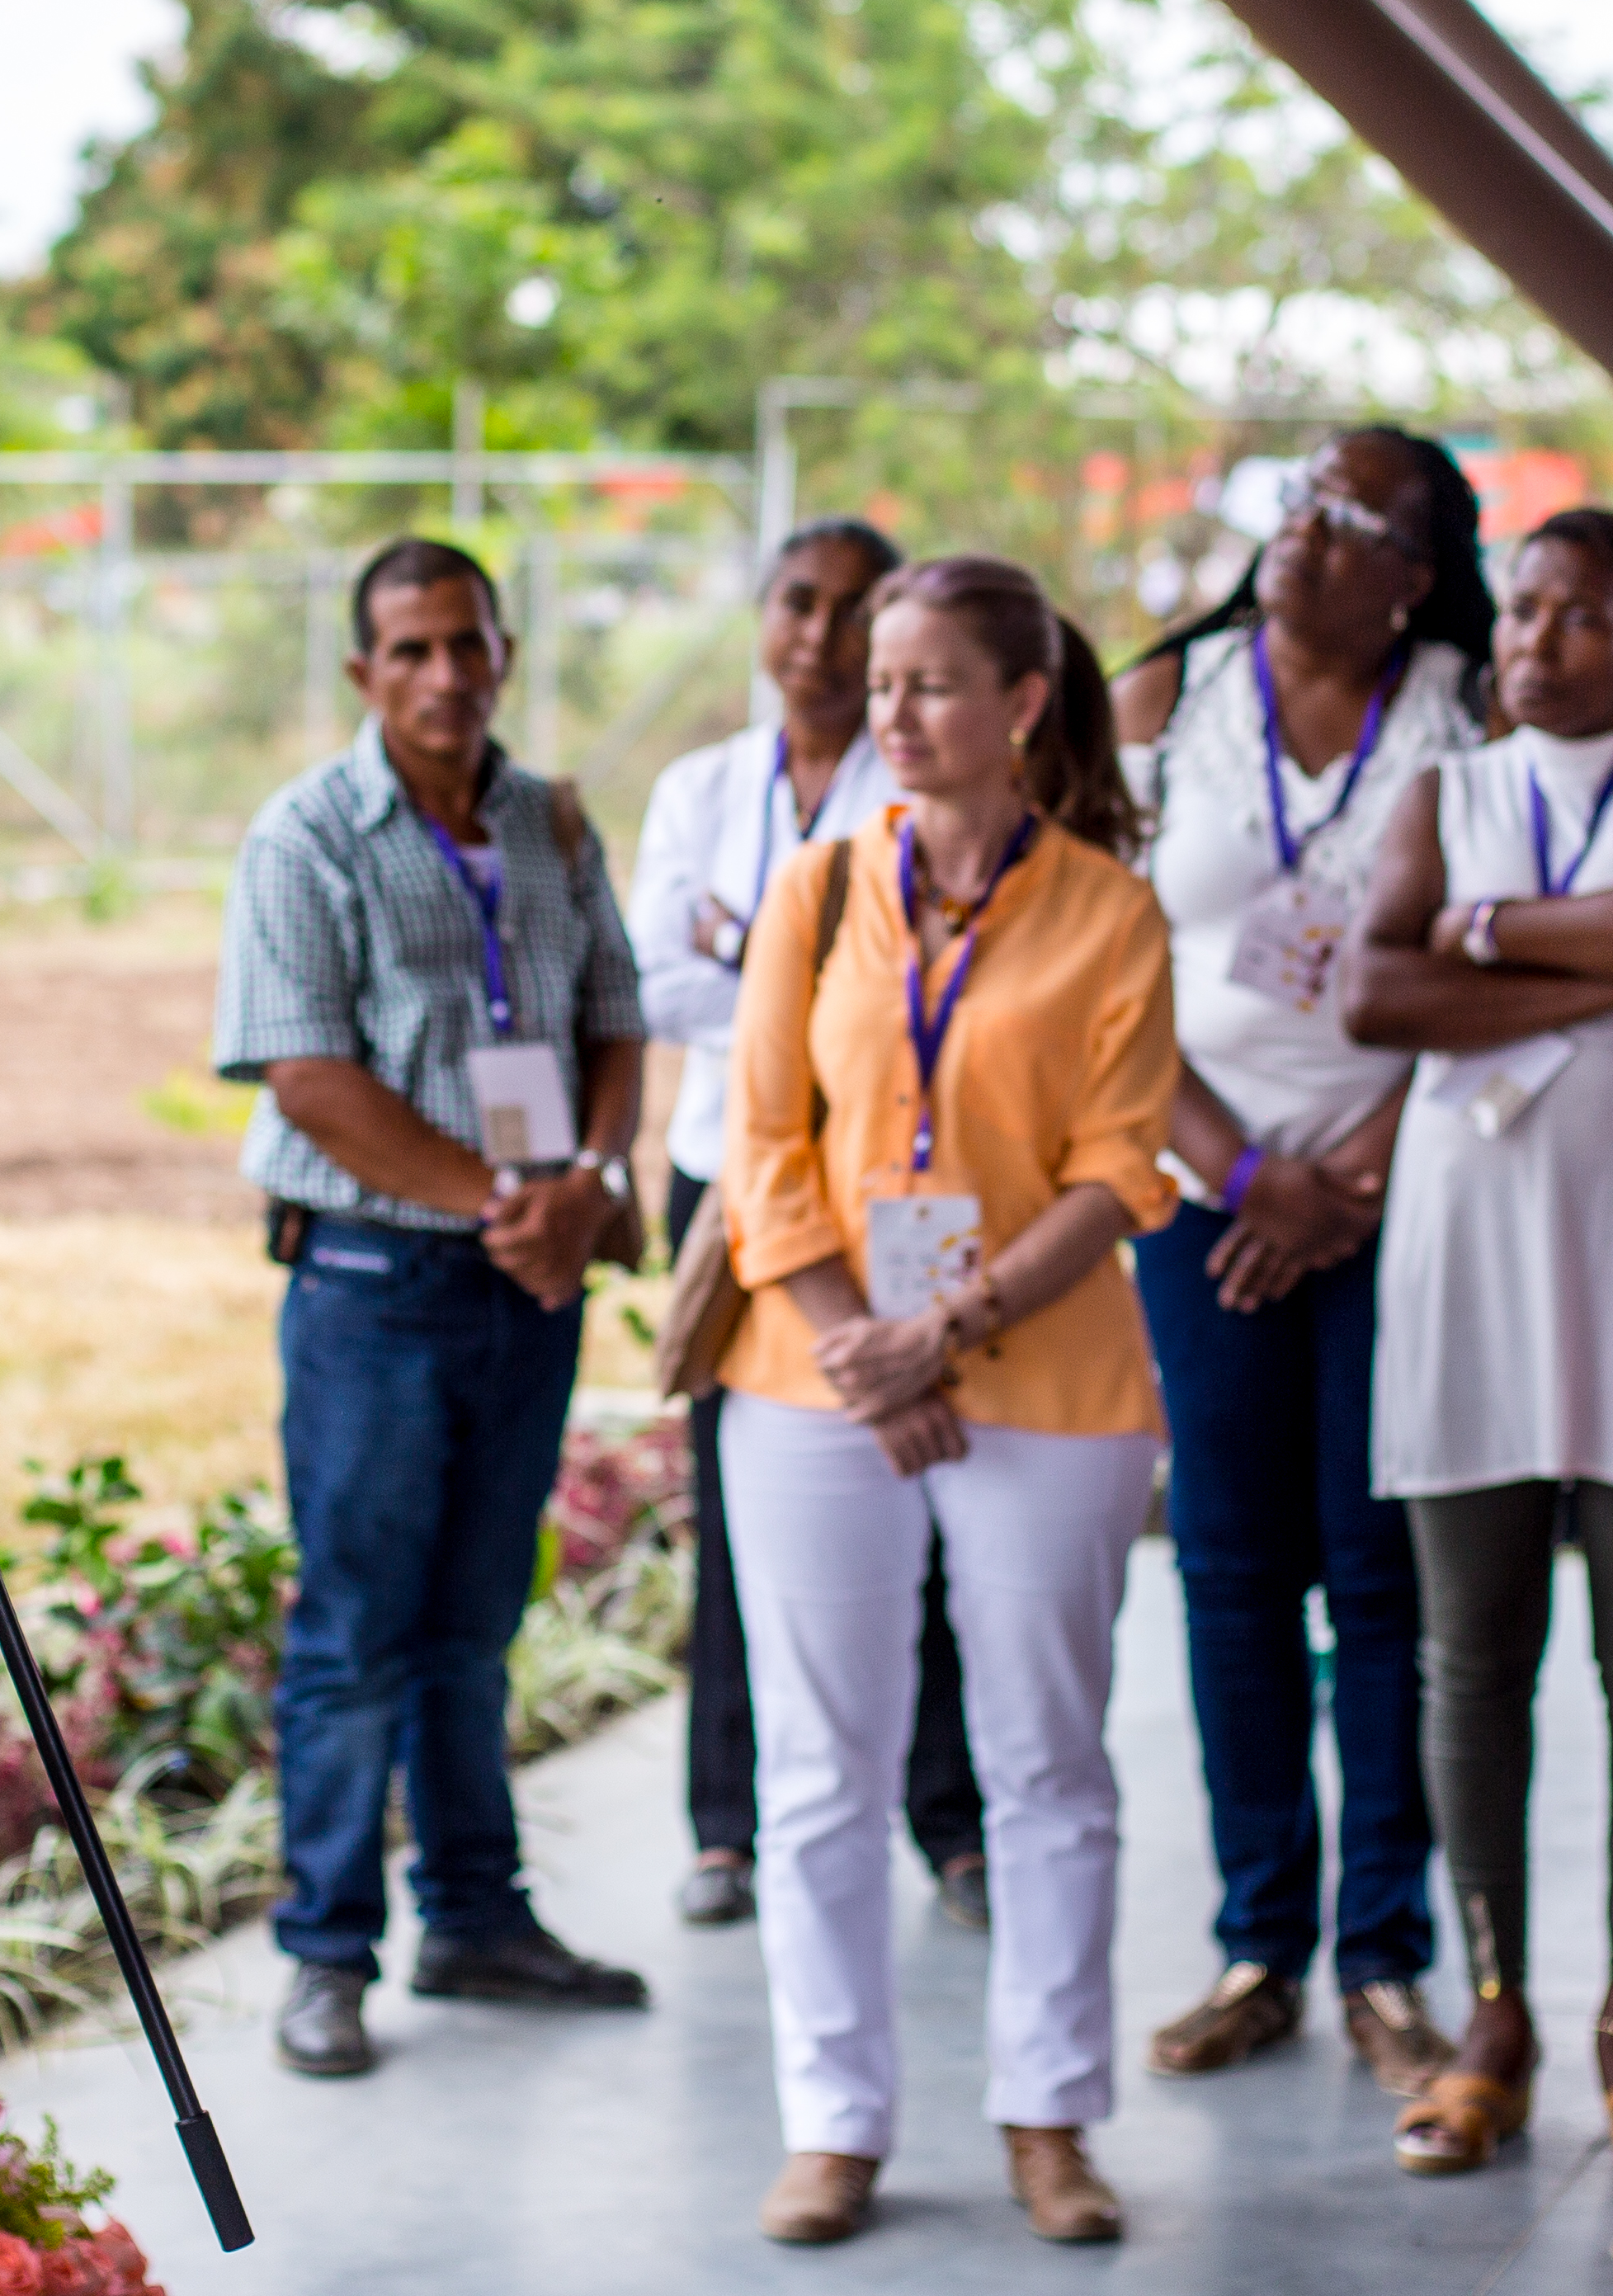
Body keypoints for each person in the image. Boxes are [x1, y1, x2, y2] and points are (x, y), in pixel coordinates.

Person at [717, 557, 1176, 2249]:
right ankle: (833, 2122)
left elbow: (1122, 1169)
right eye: (881, 681)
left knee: (1046, 1766)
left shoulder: (1109, 913)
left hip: (1046, 1382)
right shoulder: (818, 892)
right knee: (822, 1770)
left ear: (1023, 705)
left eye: (927, 683)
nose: (889, 709)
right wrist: (865, 1346)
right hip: (813, 1378)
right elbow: (764, 1155)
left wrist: (952, 1327)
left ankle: (1048, 2117)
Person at [1339, 510, 1613, 2185]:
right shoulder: (1439, 789)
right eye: (1520, 611)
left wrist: (1490, 935)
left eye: (1586, 617)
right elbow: (1373, 994)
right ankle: (1496, 2012)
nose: (1538, 640)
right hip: (1469, 1245)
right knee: (1468, 1648)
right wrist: (1604, 956)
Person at [214, 535, 656, 2081]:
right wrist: (506, 1198)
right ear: (362, 671)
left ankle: (474, 1916)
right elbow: (305, 1073)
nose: (445, 675)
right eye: (410, 649)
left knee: (475, 1618)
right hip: (377, 1278)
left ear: (504, 652)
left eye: (467, 643)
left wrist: (590, 1176)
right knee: (356, 1624)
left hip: (526, 1275)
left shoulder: (549, 820)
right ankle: (327, 1955)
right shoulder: (306, 834)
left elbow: (613, 1014)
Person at [1111, 428, 1497, 2094]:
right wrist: (1247, 1174)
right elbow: (1106, 977)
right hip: (1209, 1200)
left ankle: (1384, 1956)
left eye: (1351, 517)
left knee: (1379, 1573)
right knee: (1228, 1568)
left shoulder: (1464, 714)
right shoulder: (1165, 704)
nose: (1302, 530)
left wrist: (1356, 1171)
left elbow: (1490, 962)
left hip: (1400, 1194)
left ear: (1413, 572)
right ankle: (1259, 1933)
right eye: (1301, 500)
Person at [628, 521, 988, 1934]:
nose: (824, 637)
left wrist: (750, 951)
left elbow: (928, 987)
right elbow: (653, 981)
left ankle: (947, 1818)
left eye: (857, 612)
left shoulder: (922, 792)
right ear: (760, 614)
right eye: (799, 601)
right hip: (729, 1185)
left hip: (902, 1190)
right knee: (737, 1500)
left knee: (936, 1473)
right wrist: (810, 987)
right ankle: (727, 1825)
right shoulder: (699, 785)